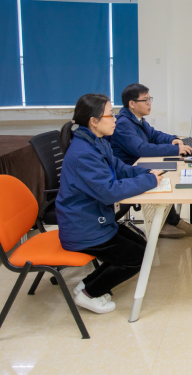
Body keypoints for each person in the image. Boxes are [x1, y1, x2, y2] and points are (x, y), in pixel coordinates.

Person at [56, 93, 163, 314]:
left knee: (142, 246)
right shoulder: (83, 154)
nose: (115, 119)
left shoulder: (97, 142)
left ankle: (86, 285)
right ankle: (89, 294)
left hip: (95, 219)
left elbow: (119, 168)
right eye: (110, 115)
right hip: (83, 227)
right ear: (94, 121)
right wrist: (149, 181)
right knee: (136, 257)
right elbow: (109, 192)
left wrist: (146, 173)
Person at [110, 83, 192, 239]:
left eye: (149, 99)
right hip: (128, 169)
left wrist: (172, 139)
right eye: (145, 100)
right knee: (164, 175)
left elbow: (154, 135)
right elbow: (141, 149)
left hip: (138, 165)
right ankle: (168, 221)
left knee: (168, 172)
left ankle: (167, 220)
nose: (149, 103)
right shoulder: (123, 124)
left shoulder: (137, 119)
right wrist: (175, 150)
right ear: (132, 104)